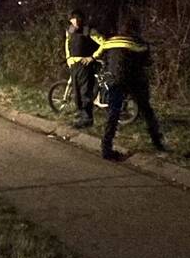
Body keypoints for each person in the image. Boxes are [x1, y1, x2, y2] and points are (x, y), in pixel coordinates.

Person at [92, 15, 166, 161]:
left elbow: (101, 57)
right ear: (137, 29)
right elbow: (147, 62)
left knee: (113, 113)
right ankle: (157, 142)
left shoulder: (111, 41)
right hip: (133, 80)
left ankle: (106, 149)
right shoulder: (140, 43)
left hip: (113, 80)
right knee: (147, 111)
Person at [64, 9, 104, 128]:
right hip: (74, 64)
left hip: (84, 65)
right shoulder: (70, 30)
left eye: (76, 19)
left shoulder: (89, 31)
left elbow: (104, 43)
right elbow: (67, 44)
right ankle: (80, 115)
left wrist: (92, 57)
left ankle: (87, 119)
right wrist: (68, 58)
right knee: (76, 92)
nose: (74, 22)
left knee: (85, 92)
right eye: (72, 20)